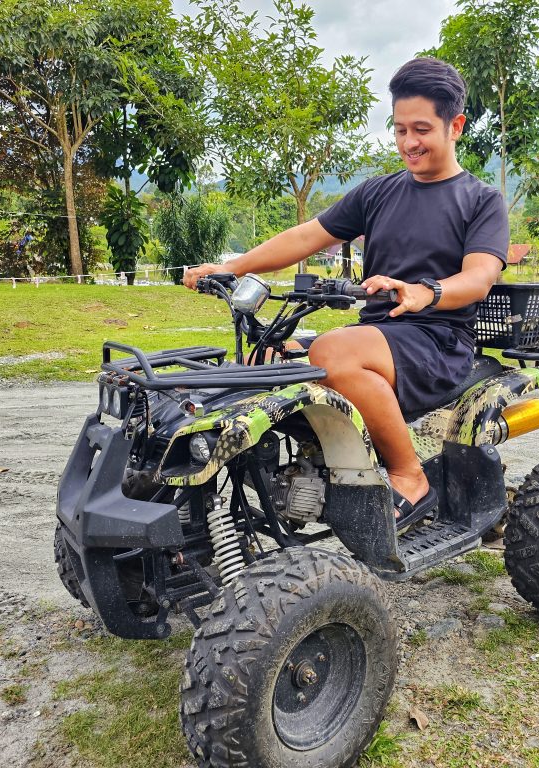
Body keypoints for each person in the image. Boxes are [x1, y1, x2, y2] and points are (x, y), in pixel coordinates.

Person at [184, 57, 509, 526]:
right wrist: (231, 266)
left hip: (438, 341)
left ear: (454, 125)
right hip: (378, 336)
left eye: (421, 129)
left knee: (333, 352)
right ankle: (279, 486)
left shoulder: (481, 200)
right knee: (264, 357)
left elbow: (479, 277)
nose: (408, 143)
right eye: (399, 130)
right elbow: (304, 237)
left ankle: (409, 478)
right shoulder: (377, 192)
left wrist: (425, 292)